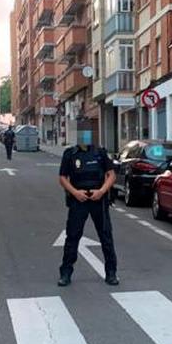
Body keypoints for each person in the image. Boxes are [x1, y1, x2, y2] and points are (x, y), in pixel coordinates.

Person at [57, 120, 118, 287]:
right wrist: (75, 192)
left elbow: (111, 175)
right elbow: (62, 178)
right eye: (81, 133)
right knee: (72, 236)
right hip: (79, 200)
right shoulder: (70, 154)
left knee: (106, 236)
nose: (84, 137)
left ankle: (111, 273)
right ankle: (66, 273)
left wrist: (102, 191)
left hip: (99, 199)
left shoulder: (100, 153)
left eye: (87, 133)